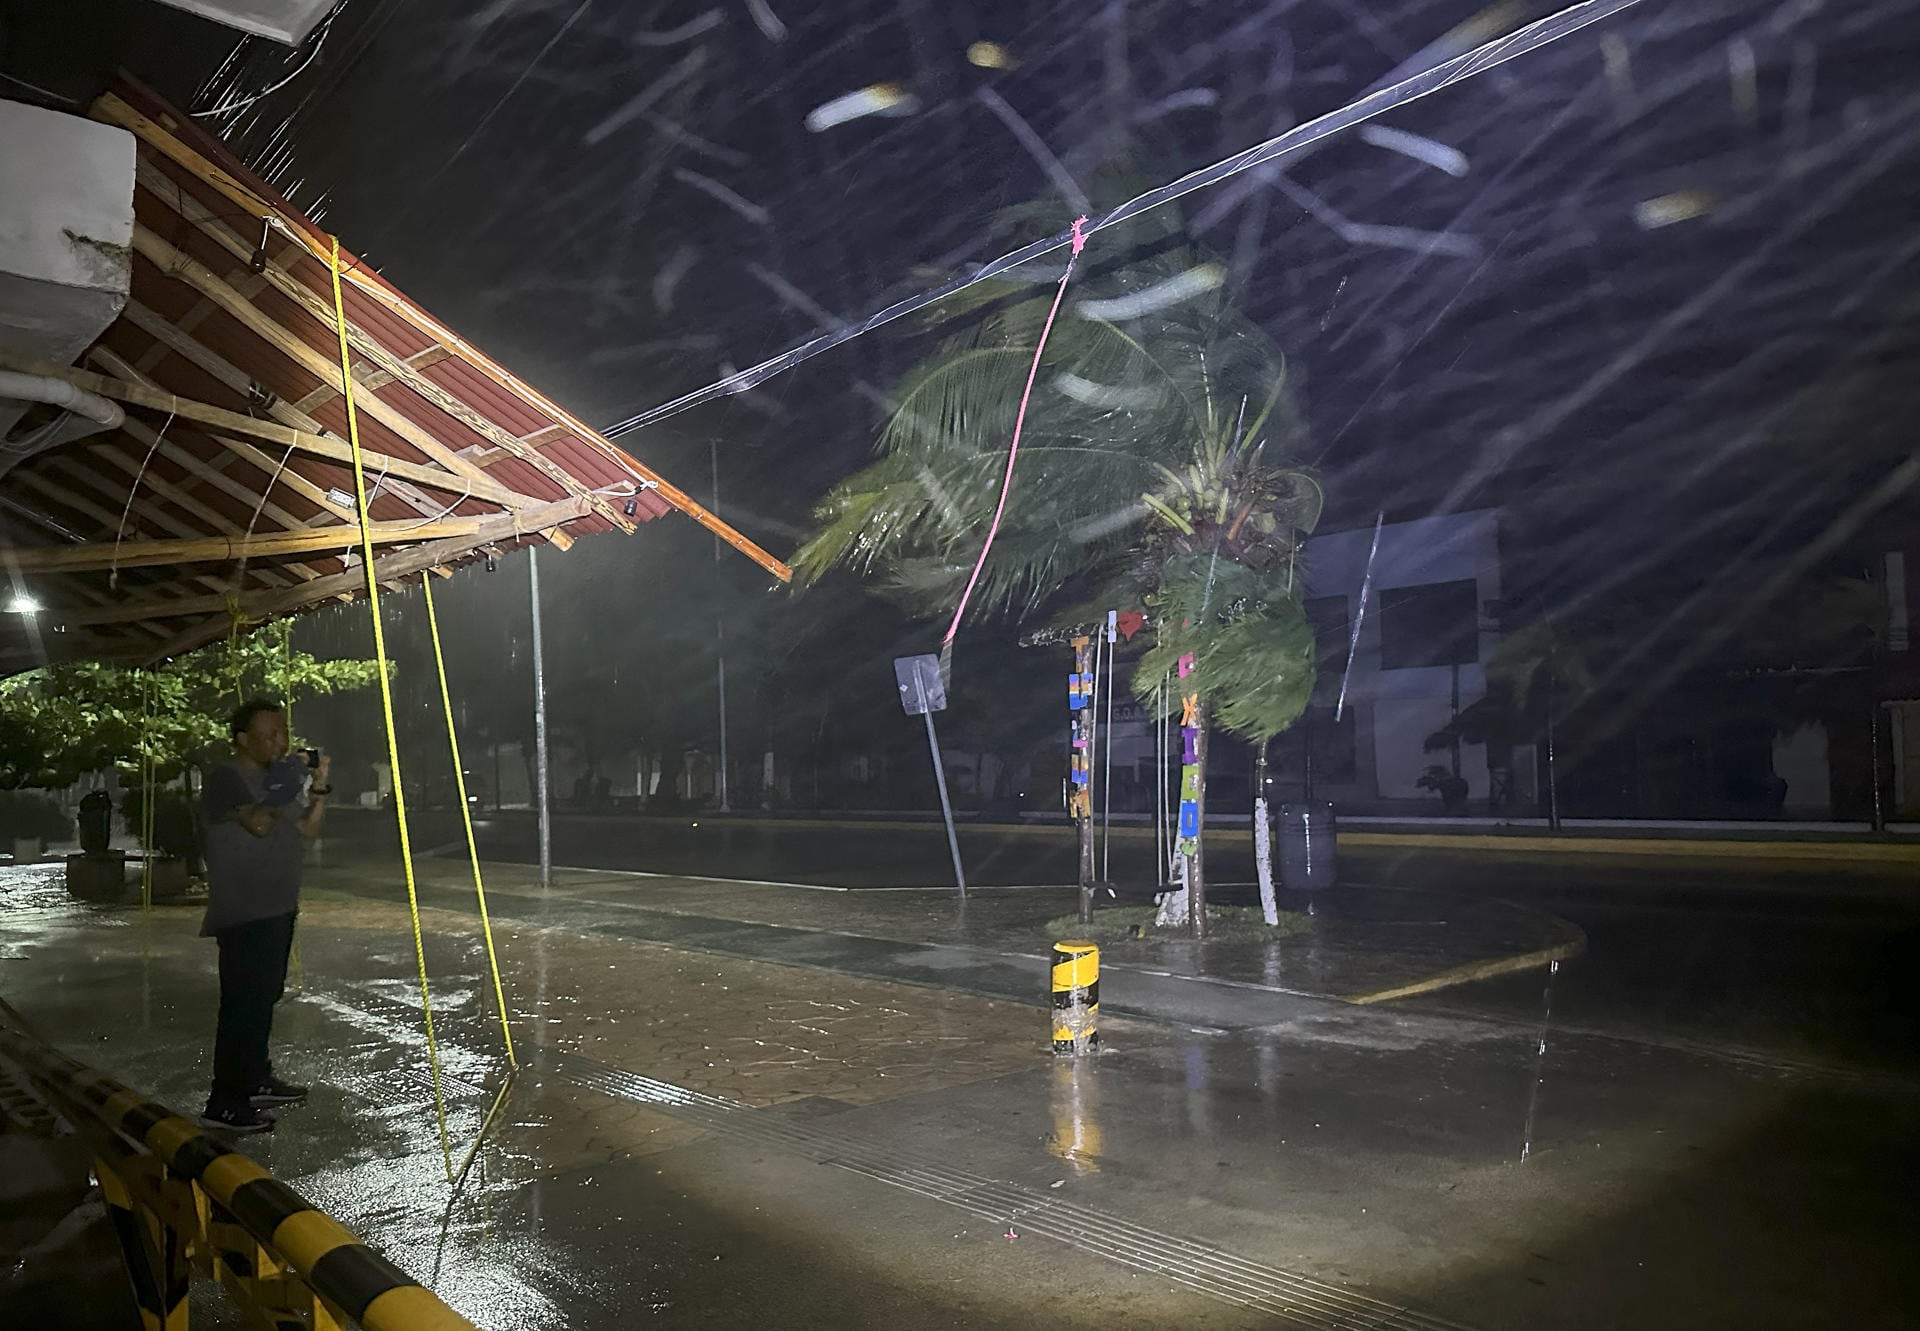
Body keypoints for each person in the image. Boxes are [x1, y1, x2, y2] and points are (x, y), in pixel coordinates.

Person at [197, 698, 331, 1133]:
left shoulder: (279, 780)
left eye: (284, 733)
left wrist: (318, 789)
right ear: (242, 740)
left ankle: (255, 1077)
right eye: (270, 734)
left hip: (278, 905)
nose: (281, 742)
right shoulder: (226, 777)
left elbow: (306, 830)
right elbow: (258, 823)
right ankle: (226, 1102)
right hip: (243, 911)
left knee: (265, 997)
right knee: (242, 1006)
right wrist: (285, 783)